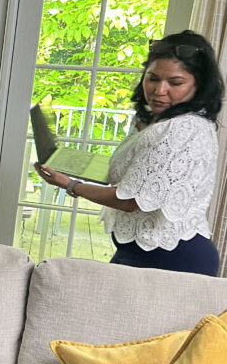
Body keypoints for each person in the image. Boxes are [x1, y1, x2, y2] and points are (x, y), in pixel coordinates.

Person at [36, 29, 223, 275]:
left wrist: (70, 185)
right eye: (152, 78)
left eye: (175, 83)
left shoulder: (183, 128)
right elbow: (138, 175)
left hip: (174, 257)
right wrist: (75, 163)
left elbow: (130, 201)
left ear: (199, 85)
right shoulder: (155, 120)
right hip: (139, 250)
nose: (159, 90)